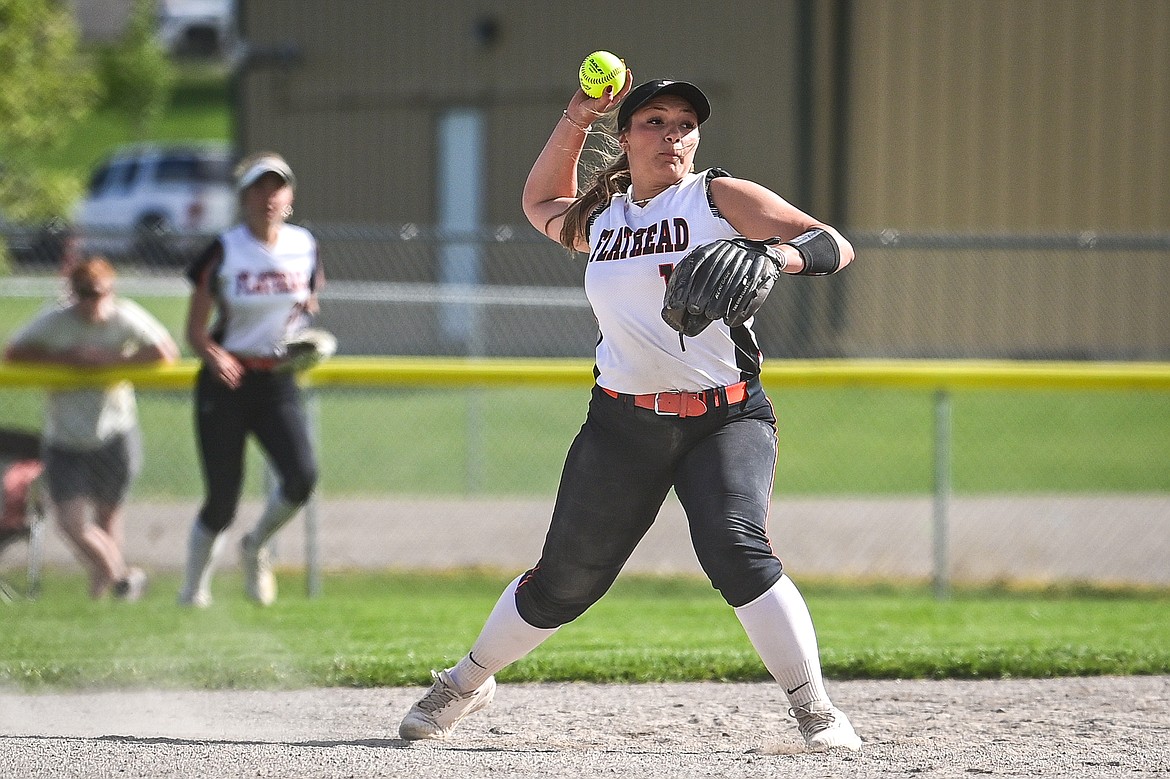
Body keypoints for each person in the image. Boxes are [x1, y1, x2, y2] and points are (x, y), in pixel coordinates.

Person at [398, 76, 863, 752]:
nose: (672, 134)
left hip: (725, 417)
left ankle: (816, 709)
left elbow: (834, 242)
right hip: (622, 425)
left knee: (736, 547)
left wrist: (779, 253)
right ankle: (464, 682)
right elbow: (538, 202)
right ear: (628, 136)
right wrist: (576, 116)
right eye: (654, 121)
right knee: (562, 583)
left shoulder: (717, 196)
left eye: (684, 123)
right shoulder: (606, 219)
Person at [178, 151, 323, 608]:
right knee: (222, 499)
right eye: (259, 187)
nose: (268, 196)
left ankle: (255, 545)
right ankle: (193, 592)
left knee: (302, 476)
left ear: (290, 197)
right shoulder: (225, 249)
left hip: (275, 380)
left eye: (276, 186)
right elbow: (195, 331)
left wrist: (308, 342)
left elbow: (308, 305)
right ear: (244, 197)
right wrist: (215, 355)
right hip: (227, 381)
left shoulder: (304, 245)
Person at [3, 256, 179, 600]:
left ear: (111, 291)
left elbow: (165, 351)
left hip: (115, 430)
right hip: (65, 436)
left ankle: (102, 600)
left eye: (98, 293)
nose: (91, 301)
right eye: (83, 293)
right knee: (70, 523)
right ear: (72, 293)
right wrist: (66, 360)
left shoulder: (124, 316)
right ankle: (122, 577)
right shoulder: (55, 322)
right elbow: (14, 353)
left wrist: (113, 361)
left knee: (109, 519)